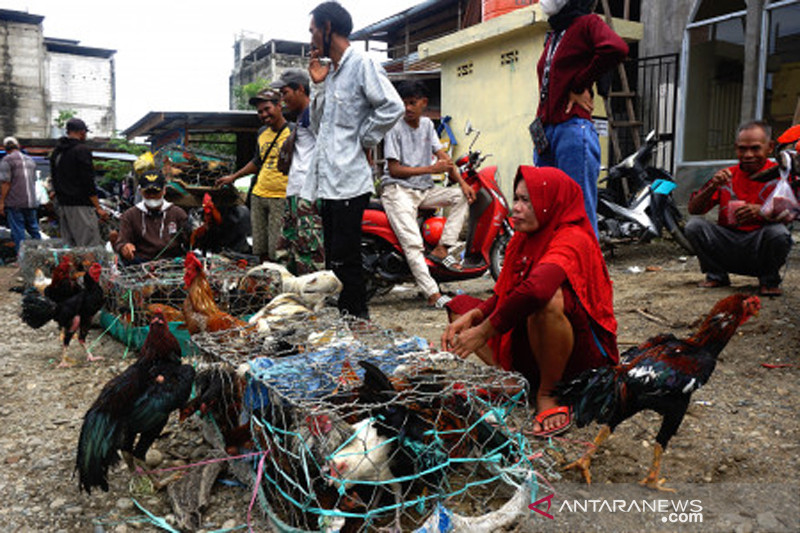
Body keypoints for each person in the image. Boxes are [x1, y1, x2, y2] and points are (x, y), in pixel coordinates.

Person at [442, 166, 618, 437]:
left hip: (579, 355)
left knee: (545, 301)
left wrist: (483, 332)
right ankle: (514, 378)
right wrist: (476, 316)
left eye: (527, 201)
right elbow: (506, 294)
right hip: (536, 342)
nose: (516, 209)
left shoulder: (573, 236)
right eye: (516, 199)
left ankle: (548, 393)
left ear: (551, 203)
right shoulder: (522, 239)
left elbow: (536, 290)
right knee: (459, 307)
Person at [301, 2, 404, 319]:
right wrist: (316, 86)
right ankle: (343, 322)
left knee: (346, 261)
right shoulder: (328, 72)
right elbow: (318, 127)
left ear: (328, 27)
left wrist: (365, 138)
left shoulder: (362, 64)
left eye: (313, 29)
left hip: (349, 180)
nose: (311, 37)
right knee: (333, 262)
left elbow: (392, 106)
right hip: (328, 183)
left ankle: (358, 322)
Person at [533, 0, 628, 236]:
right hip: (546, 133)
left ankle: (585, 272)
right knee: (547, 213)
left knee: (578, 214)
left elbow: (616, 48)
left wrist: (581, 82)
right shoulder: (555, 33)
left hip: (571, 129)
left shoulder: (587, 22)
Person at [380, 80, 476, 308]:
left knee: (460, 197)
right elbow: (394, 169)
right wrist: (431, 169)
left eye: (412, 103)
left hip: (423, 190)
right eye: (404, 103)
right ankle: (432, 293)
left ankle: (443, 248)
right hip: (398, 190)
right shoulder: (394, 127)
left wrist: (462, 183)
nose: (408, 108)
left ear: (424, 103)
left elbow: (444, 157)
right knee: (413, 244)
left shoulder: (427, 126)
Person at [685, 120, 792, 297]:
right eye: (742, 148)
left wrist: (762, 211)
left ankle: (769, 279)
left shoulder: (781, 175)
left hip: (760, 243)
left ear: (770, 147)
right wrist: (712, 186)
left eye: (755, 148)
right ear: (736, 148)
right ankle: (716, 275)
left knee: (778, 233)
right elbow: (693, 209)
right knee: (694, 225)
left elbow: (793, 213)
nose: (748, 154)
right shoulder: (727, 175)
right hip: (728, 242)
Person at [217, 89, 291, 262]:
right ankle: (263, 280)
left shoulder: (294, 131)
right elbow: (257, 162)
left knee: (277, 248)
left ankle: (278, 281)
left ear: (279, 106)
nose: (263, 114)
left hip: (281, 196)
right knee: (259, 247)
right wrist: (233, 177)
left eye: (267, 109)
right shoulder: (262, 133)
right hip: (258, 195)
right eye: (260, 111)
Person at [272, 68, 325, 275]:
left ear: (300, 89)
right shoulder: (301, 117)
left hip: (308, 192)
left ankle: (313, 293)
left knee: (309, 247)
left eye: (285, 93)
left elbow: (325, 148)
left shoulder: (313, 114)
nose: (283, 99)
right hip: (295, 190)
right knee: (289, 245)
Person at [50, 117, 109, 247]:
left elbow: (54, 178)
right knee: (88, 246)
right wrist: (98, 208)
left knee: (70, 247)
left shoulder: (57, 152)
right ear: (82, 132)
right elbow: (88, 181)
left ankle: (74, 268)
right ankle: (89, 268)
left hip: (63, 205)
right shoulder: (81, 150)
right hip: (81, 205)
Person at [114, 170, 188, 264]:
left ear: (164, 190)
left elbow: (189, 242)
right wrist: (125, 247)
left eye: (156, 192)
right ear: (141, 192)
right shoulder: (130, 215)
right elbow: (121, 241)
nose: (152, 196)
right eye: (148, 192)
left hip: (172, 261)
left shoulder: (177, 213)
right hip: (141, 263)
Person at [0, 136, 42, 258]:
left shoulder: (7, 161)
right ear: (18, 146)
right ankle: (41, 256)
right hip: (31, 202)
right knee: (34, 230)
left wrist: (1, 202)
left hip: (15, 202)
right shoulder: (30, 160)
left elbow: (5, 183)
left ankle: (23, 259)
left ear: (6, 148)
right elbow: (33, 181)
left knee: (18, 232)